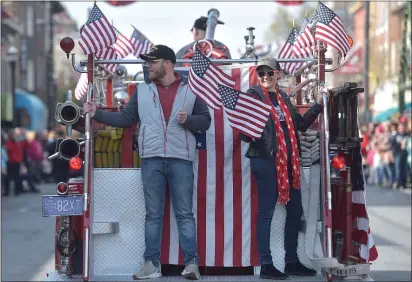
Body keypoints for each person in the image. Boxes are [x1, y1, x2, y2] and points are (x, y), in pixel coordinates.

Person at [83, 45, 211, 280]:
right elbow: (126, 118)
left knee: (185, 214)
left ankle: (192, 265)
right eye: (148, 62)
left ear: (168, 64)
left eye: (153, 61)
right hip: (151, 160)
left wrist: (189, 120)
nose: (148, 65)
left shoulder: (190, 90)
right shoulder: (141, 91)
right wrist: (97, 113)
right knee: (153, 215)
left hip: (181, 159)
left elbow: (206, 121)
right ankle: (151, 265)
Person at [240, 58, 323, 280]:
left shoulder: (284, 97)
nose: (265, 77)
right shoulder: (253, 96)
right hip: (265, 159)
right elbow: (244, 133)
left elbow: (300, 125)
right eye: (261, 74)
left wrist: (318, 105)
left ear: (278, 74)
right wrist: (249, 131)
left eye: (269, 73)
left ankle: (291, 261)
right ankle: (266, 264)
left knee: (295, 210)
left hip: (288, 161)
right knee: (266, 212)